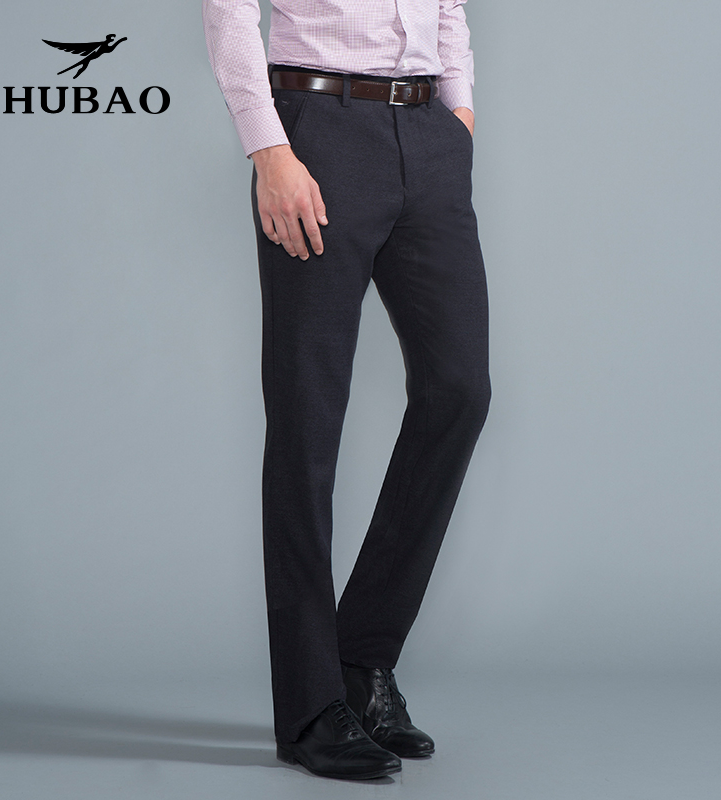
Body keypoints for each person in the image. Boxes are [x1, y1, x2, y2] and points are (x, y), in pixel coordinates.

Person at [202, 0, 491, 781]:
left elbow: (448, 8)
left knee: (459, 390)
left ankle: (362, 661)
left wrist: (459, 115)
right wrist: (270, 150)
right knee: (308, 418)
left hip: (428, 135)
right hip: (318, 132)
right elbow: (229, 13)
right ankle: (308, 707)